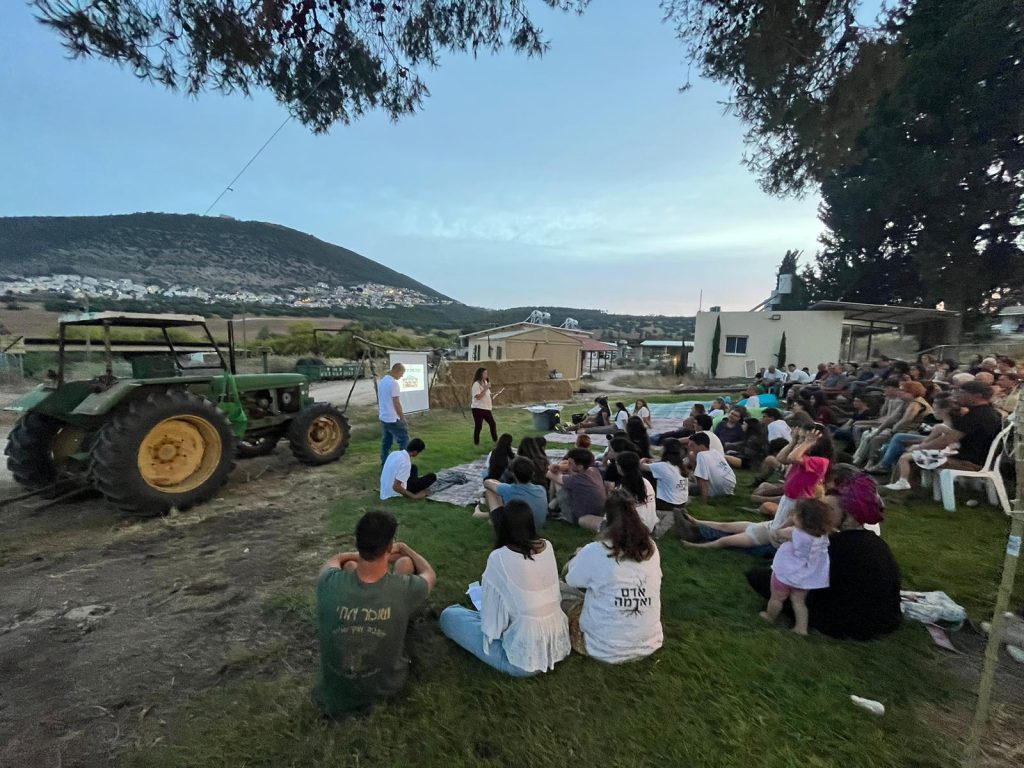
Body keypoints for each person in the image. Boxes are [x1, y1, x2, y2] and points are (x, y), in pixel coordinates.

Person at [746, 465, 901, 640]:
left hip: (848, 624)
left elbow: (807, 578)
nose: (822, 513)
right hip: (886, 620)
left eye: (829, 509)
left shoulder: (835, 545)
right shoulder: (875, 542)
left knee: (761, 578)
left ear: (849, 516)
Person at [315, 510, 437, 717]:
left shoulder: (327, 581)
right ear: (389, 547)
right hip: (386, 688)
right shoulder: (403, 589)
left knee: (350, 565)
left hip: (336, 691)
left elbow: (336, 559)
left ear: (357, 543)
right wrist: (404, 548)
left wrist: (362, 555)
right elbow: (430, 574)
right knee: (406, 563)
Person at [439, 501, 570, 676]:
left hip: (522, 661)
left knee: (449, 616)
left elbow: (492, 627)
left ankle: (459, 614)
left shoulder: (499, 558)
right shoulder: (548, 546)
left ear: (504, 527)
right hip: (557, 646)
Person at [686, 425, 830, 550]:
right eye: (801, 439)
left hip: (788, 517)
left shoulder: (821, 461)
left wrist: (807, 442)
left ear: (816, 442)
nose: (800, 442)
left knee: (727, 540)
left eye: (804, 439)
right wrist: (793, 440)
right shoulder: (804, 459)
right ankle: (698, 522)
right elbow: (781, 458)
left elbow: (792, 457)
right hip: (781, 512)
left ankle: (699, 543)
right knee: (727, 526)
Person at [562, 493, 663, 663]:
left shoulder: (595, 550)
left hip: (602, 647)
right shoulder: (651, 548)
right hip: (649, 643)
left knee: (559, 593)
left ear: (606, 521)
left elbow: (570, 579)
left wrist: (577, 556)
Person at [885, 380, 1005, 491]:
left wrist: (920, 447)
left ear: (977, 396)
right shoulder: (991, 412)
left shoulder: (976, 416)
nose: (958, 395)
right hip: (979, 459)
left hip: (969, 462)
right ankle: (908, 488)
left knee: (911, 456)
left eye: (962, 393)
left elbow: (946, 441)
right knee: (915, 453)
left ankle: (900, 490)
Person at [759, 498, 831, 635]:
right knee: (799, 602)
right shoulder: (822, 537)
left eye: (796, 514)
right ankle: (801, 628)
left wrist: (783, 527)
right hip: (804, 577)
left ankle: (770, 616)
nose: (793, 515)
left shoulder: (793, 532)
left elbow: (776, 534)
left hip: (785, 573)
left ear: (803, 520)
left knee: (777, 598)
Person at [479, 457, 549, 529]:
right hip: (535, 529)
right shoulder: (541, 489)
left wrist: (498, 483)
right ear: (533, 473)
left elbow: (486, 483)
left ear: (513, 474)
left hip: (513, 531)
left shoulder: (509, 489)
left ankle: (491, 519)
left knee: (490, 490)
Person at [547, 448, 608, 528]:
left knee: (556, 479)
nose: (568, 464)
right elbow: (571, 474)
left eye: (570, 463)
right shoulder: (594, 470)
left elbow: (549, 474)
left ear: (580, 467)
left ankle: (550, 507)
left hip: (576, 517)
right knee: (561, 478)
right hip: (596, 512)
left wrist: (552, 468)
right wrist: (560, 467)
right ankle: (551, 506)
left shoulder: (576, 480)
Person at [641, 437, 690, 510]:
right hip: (682, 503)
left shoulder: (662, 466)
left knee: (646, 474)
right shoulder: (681, 464)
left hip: (667, 504)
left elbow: (640, 466)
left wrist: (643, 459)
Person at [615, 451, 658, 532]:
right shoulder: (646, 482)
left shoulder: (623, 488)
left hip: (636, 531)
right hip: (650, 526)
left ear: (620, 467)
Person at [688, 432, 736, 500]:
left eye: (692, 446)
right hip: (730, 486)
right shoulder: (715, 452)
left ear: (701, 446)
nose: (690, 449)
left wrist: (704, 501)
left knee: (684, 485)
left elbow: (703, 480)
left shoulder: (701, 455)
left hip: (717, 489)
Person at [378, 362, 409, 465]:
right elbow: (396, 403)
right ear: (397, 371)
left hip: (384, 417)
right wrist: (402, 417)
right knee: (404, 439)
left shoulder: (383, 381)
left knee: (386, 442)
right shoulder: (394, 384)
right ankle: (403, 463)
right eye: (402, 373)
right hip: (393, 418)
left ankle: (385, 462)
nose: (402, 376)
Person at [470, 367, 503, 445]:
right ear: (480, 374)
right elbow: (478, 397)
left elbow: (487, 394)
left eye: (486, 373)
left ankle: (496, 440)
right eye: (485, 373)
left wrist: (494, 394)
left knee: (492, 424)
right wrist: (485, 388)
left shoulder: (485, 382)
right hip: (478, 408)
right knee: (478, 426)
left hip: (486, 408)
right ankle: (476, 443)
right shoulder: (476, 384)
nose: (486, 375)